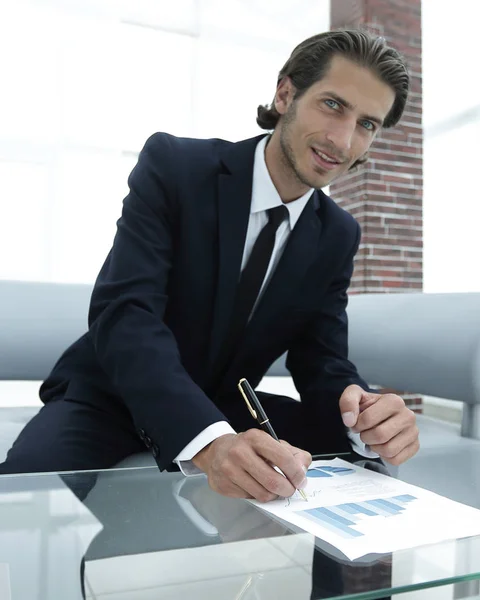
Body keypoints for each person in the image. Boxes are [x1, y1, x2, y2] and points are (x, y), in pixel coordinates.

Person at [0, 28, 419, 502]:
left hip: (228, 402)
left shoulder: (338, 232)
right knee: (22, 497)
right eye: (333, 105)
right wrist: (209, 442)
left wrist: (363, 412)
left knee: (364, 464)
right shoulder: (175, 166)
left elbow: (321, 355)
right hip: (109, 396)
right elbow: (126, 314)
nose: (343, 140)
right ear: (286, 94)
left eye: (367, 124)